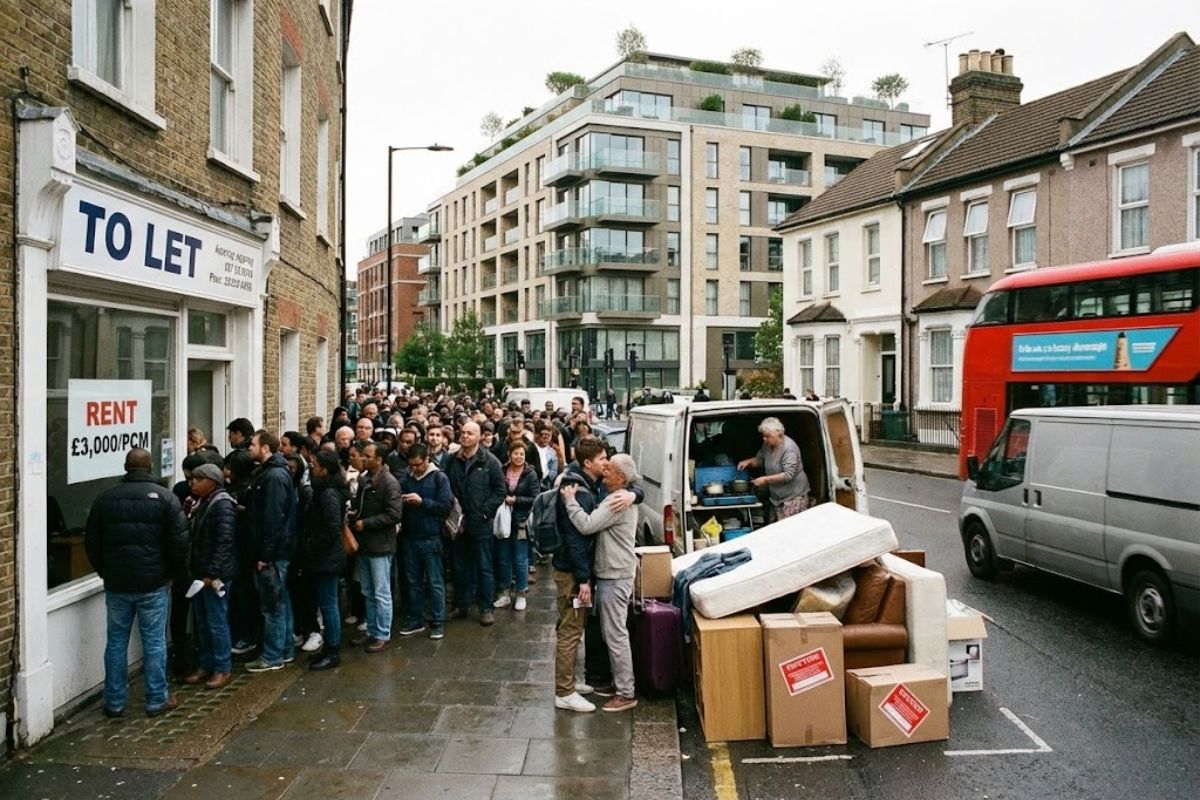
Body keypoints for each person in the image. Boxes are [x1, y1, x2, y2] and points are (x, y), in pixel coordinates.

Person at [85, 448, 189, 718]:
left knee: (116, 642)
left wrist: (105, 572)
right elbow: (179, 543)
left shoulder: (104, 499)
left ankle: (114, 701)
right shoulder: (166, 498)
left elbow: (92, 543)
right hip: (153, 582)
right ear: (151, 466)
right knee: (154, 642)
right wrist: (172, 574)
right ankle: (157, 699)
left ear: (125, 467)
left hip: (118, 583)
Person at [560, 453, 641, 712]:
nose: (604, 472)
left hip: (614, 574)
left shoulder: (617, 500)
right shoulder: (622, 494)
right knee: (612, 633)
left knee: (616, 635)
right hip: (616, 572)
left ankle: (626, 693)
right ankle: (617, 683)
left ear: (621, 478)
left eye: (610, 470)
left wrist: (571, 501)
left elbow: (586, 525)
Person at [244, 430, 299, 673]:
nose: (249, 448)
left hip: (274, 553)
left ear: (265, 448)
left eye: (253, 444)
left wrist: (265, 556)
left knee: (273, 606)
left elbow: (273, 519)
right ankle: (285, 650)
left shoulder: (274, 476)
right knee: (281, 602)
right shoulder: (272, 473)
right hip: (276, 550)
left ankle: (273, 655)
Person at [445, 421, 506, 626]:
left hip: (480, 523)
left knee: (484, 567)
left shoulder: (490, 462)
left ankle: (486, 608)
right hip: (458, 523)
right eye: (462, 432)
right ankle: (461, 605)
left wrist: (485, 513)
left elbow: (500, 491)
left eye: (469, 433)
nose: (464, 436)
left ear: (479, 437)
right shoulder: (452, 460)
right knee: (459, 566)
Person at [184, 463, 237, 690]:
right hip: (200, 573)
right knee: (202, 623)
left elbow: (224, 541)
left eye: (198, 479)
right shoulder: (202, 503)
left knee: (217, 622)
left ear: (212, 482)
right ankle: (205, 665)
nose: (192, 483)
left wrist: (212, 572)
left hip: (215, 575)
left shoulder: (222, 504)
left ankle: (222, 668)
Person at [348, 441, 403, 652]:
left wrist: (366, 523)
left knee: (381, 592)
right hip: (365, 545)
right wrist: (354, 513)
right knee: (368, 591)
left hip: (380, 545)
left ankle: (382, 633)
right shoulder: (364, 480)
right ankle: (371, 630)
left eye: (368, 456)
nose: (363, 458)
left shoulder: (389, 483)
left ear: (379, 459)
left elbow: (394, 514)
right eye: (363, 455)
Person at [398, 443, 453, 640]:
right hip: (410, 537)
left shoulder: (439, 477)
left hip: (431, 538)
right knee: (413, 582)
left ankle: (438, 621)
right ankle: (416, 619)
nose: (415, 469)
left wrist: (422, 502)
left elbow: (445, 506)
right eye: (411, 465)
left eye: (418, 464)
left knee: (435, 582)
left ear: (427, 460)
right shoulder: (407, 478)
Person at [306, 450, 350, 670]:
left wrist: (312, 545)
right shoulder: (325, 490)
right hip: (325, 555)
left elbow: (332, 527)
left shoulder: (329, 494)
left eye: (314, 464)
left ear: (324, 469)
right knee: (327, 603)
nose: (311, 467)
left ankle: (333, 650)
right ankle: (329, 648)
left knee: (329, 604)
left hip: (327, 557)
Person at [737, 417, 811, 523]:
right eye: (763, 436)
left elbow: (788, 474)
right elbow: (761, 459)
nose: (764, 439)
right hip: (776, 498)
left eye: (768, 436)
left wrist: (765, 480)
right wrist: (748, 461)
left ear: (779, 435)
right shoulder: (767, 445)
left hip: (793, 497)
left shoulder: (789, 448)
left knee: (789, 530)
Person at [494, 439, 539, 611]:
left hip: (521, 520)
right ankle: (504, 592)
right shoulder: (502, 470)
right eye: (516, 453)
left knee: (521, 558)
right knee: (504, 557)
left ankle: (521, 593)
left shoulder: (530, 474)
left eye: (522, 454)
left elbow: (535, 497)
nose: (519, 457)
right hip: (503, 519)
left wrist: (517, 500)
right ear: (509, 454)